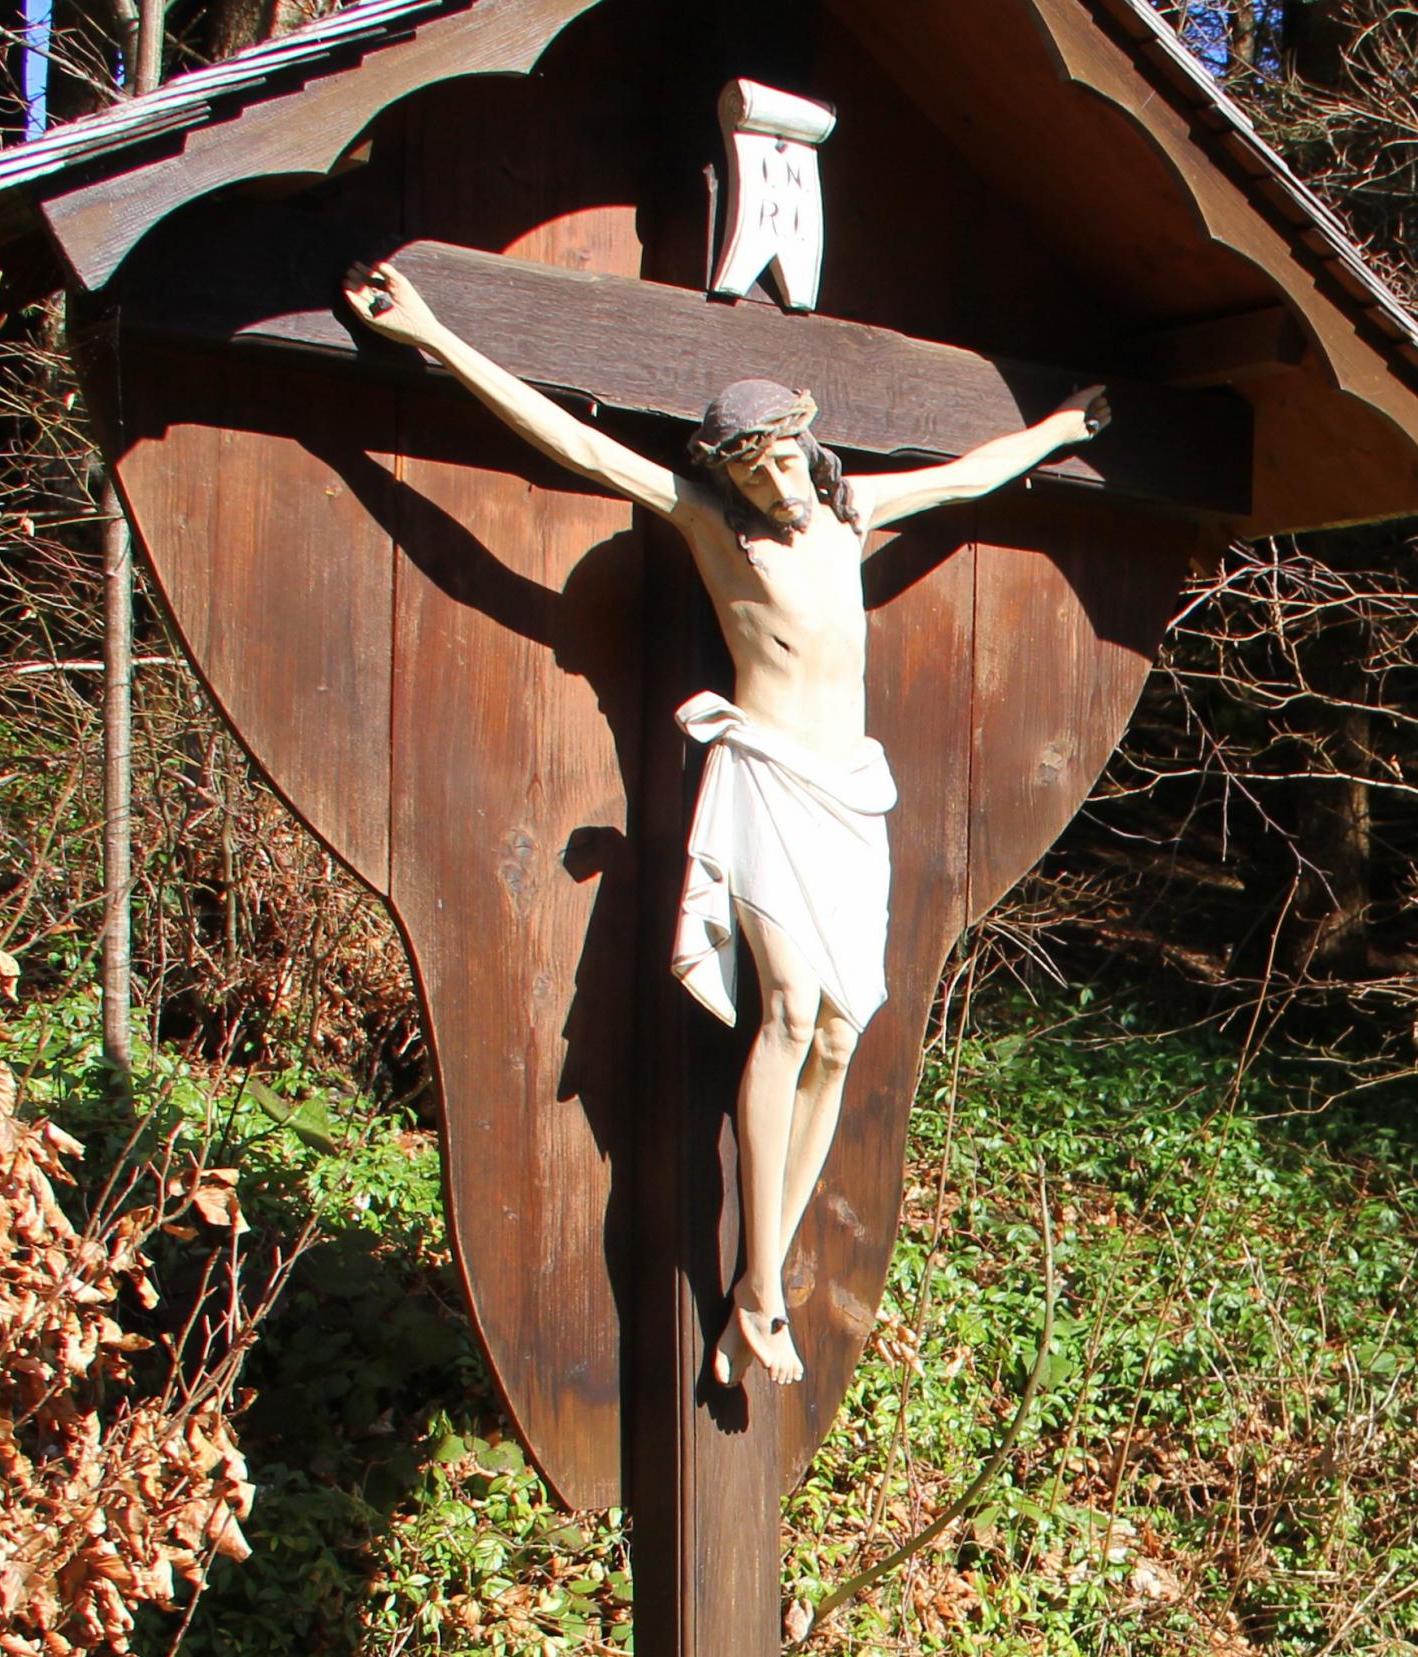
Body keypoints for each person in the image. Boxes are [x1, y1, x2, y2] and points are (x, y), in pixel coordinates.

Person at [342, 260, 1105, 1388]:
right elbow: (580, 447)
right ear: (728, 479)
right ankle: (759, 1289)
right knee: (788, 1013)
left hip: (850, 795)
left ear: (806, 443)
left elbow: (966, 479)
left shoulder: (852, 512)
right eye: (749, 470)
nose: (773, 481)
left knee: (840, 1035)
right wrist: (433, 336)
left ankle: (758, 1287)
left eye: (782, 457)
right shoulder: (714, 530)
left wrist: (1057, 429)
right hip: (766, 786)